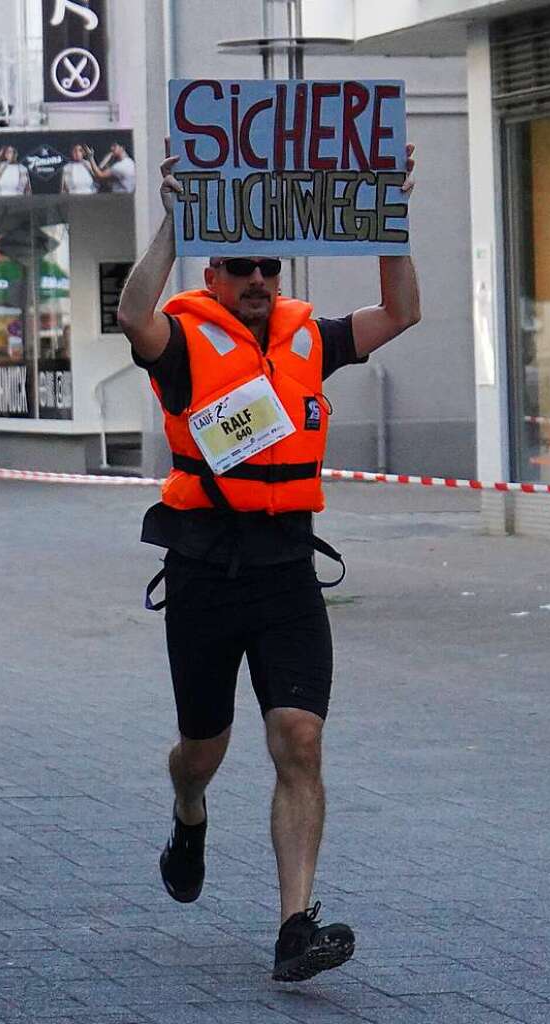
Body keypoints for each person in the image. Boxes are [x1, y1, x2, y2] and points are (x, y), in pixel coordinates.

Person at [117, 144, 419, 983]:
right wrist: (176, 217)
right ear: (212, 272)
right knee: (202, 748)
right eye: (239, 265)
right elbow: (130, 315)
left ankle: (294, 926)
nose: (256, 277)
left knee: (300, 736)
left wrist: (391, 217)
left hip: (287, 567)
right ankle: (188, 810)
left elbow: (400, 313)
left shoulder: (308, 340)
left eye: (266, 265)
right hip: (204, 568)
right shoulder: (180, 341)